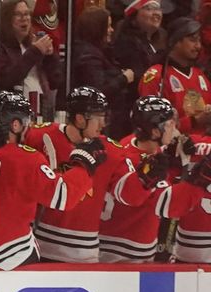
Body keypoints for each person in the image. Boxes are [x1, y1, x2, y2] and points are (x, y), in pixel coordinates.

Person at [0, 91, 102, 270]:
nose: (29, 128)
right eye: (26, 122)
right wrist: (84, 164)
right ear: (15, 124)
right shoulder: (27, 159)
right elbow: (63, 196)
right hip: (10, 258)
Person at [26, 87, 146, 262]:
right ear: (80, 119)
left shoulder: (111, 150)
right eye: (98, 118)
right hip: (43, 247)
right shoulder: (39, 136)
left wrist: (145, 178)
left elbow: (128, 195)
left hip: (85, 254)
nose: (103, 125)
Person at [99, 96, 211, 262]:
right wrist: (199, 180)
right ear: (155, 131)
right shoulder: (143, 165)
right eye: (169, 124)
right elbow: (170, 206)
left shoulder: (130, 143)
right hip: (123, 258)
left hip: (121, 249)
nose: (175, 127)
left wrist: (171, 151)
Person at [0, 0, 62, 120]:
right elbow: (7, 79)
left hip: (40, 112)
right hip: (13, 116)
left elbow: (56, 81)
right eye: (18, 14)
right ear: (7, 19)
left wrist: (50, 57)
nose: (24, 18)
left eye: (27, 14)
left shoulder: (32, 45)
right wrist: (35, 52)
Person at [71, 7, 136, 138]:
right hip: (98, 125)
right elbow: (98, 92)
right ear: (97, 29)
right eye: (108, 26)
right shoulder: (88, 56)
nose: (111, 30)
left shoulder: (98, 52)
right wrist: (123, 78)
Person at [139, 17, 211, 135]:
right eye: (193, 40)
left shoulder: (200, 74)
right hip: (171, 150)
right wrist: (194, 121)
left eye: (199, 41)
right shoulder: (156, 76)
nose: (198, 46)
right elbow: (152, 126)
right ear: (176, 41)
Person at [110, 0, 165, 138]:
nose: (156, 13)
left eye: (158, 8)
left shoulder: (160, 42)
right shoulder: (125, 43)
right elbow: (140, 77)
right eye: (149, 8)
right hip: (130, 115)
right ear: (134, 17)